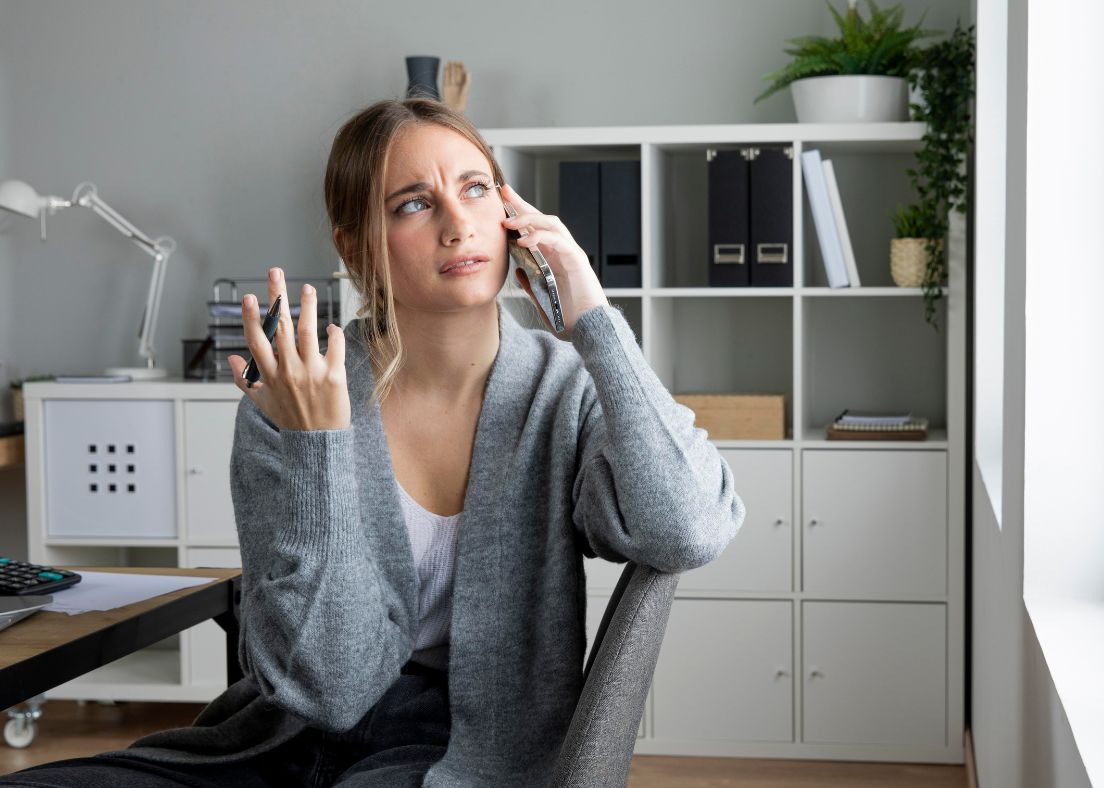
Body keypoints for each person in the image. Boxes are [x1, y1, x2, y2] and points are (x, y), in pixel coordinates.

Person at [2, 98, 745, 787]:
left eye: (477, 188)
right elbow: (329, 684)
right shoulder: (294, 396)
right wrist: (319, 444)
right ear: (355, 244)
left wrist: (593, 316)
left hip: (461, 746)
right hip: (281, 735)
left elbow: (687, 528)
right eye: (415, 204)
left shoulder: (562, 391)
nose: (458, 223)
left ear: (513, 211)